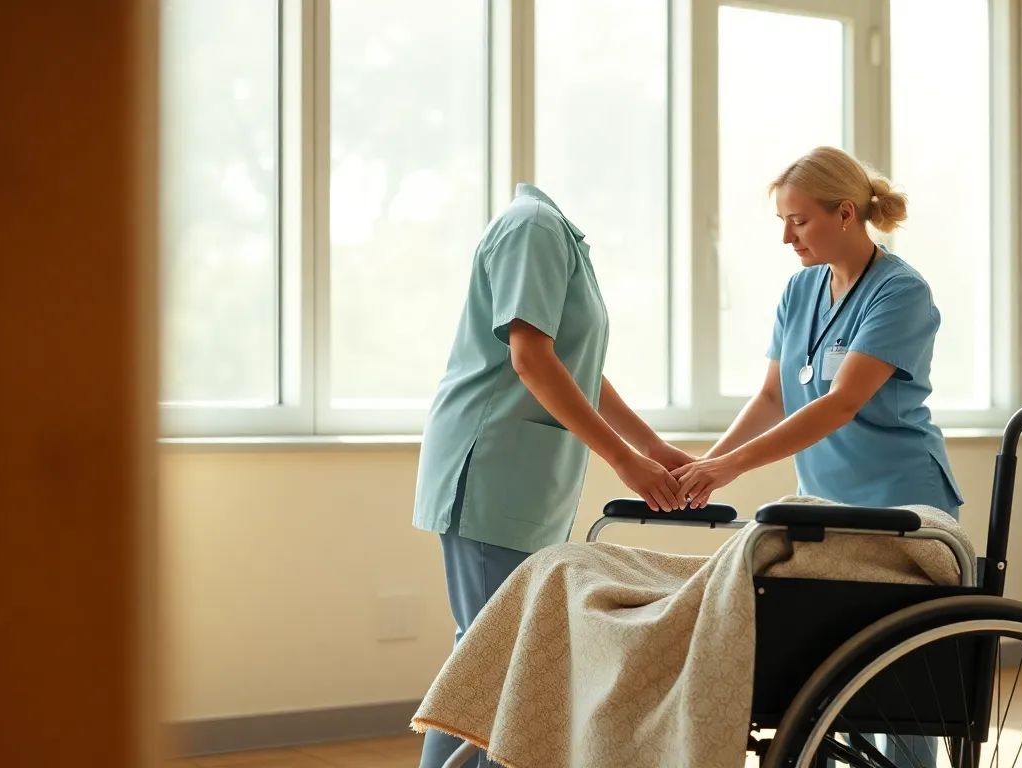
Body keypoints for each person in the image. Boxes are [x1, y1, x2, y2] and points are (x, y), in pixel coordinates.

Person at [672, 146, 963, 767]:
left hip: (901, 509)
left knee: (899, 693)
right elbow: (773, 397)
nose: (787, 237)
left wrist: (726, 468)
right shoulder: (800, 289)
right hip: (827, 510)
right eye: (784, 222)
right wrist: (705, 469)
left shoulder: (900, 291)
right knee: (821, 682)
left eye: (799, 221)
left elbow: (840, 403)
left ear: (846, 213)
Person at [412, 183, 694, 768]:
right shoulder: (534, 228)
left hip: (524, 474)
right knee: (490, 660)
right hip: (493, 467)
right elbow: (531, 359)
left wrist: (650, 446)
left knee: (503, 656)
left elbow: (577, 367)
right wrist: (623, 460)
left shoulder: (560, 238)